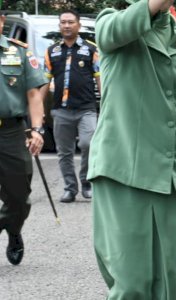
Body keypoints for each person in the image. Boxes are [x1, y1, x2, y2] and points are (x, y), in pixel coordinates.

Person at [89, 0, 176, 298]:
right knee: (131, 285)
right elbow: (110, 32)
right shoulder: (114, 26)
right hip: (124, 174)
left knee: (173, 285)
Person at [0, 12, 49, 266]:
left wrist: (38, 130)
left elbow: (33, 95)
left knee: (19, 196)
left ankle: (12, 227)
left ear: (1, 21)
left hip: (11, 132)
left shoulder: (19, 53)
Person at [43, 10, 101, 203]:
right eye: (63, 22)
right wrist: (38, 110)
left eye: (70, 22)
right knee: (64, 151)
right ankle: (70, 188)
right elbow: (44, 82)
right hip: (61, 110)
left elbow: (100, 78)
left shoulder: (91, 49)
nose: (66, 26)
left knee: (88, 144)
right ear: (59, 25)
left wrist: (107, 101)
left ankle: (86, 182)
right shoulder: (52, 51)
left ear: (78, 25)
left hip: (87, 108)